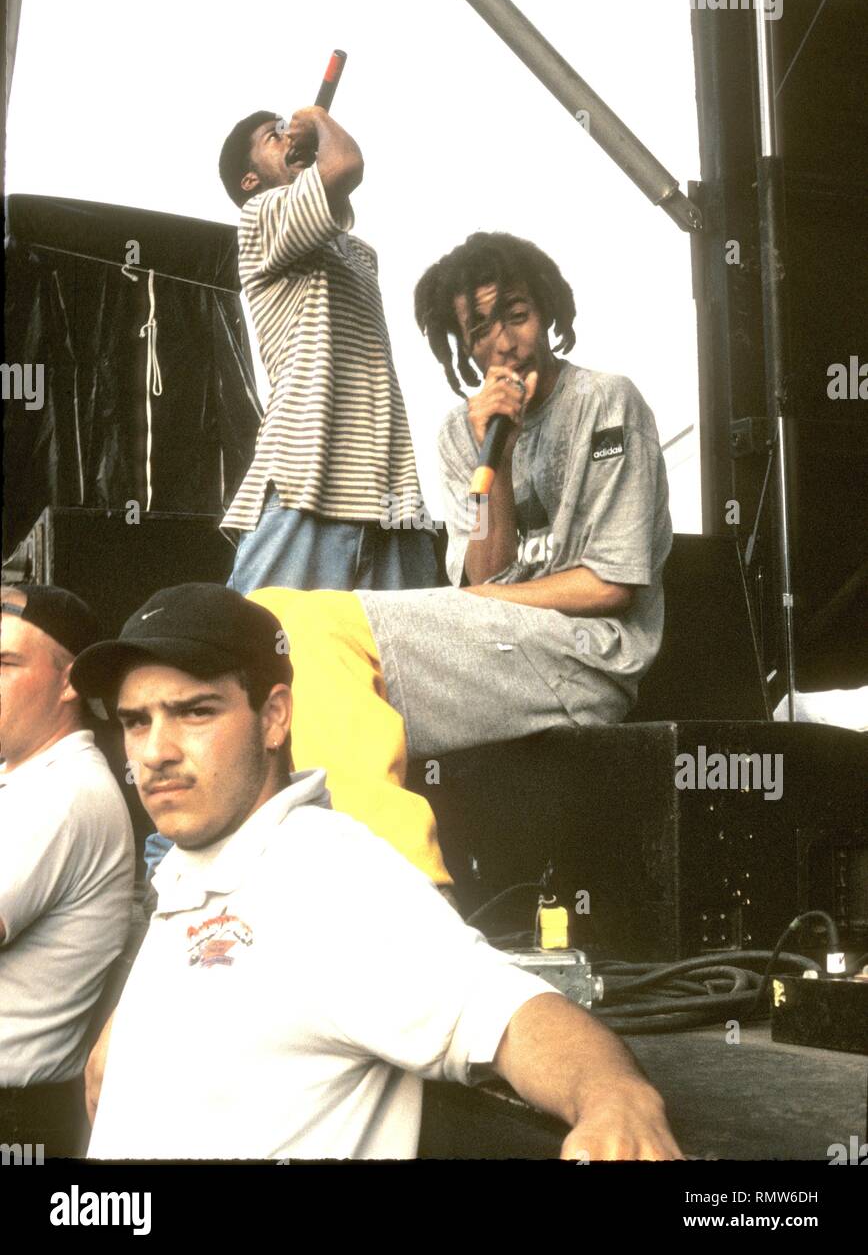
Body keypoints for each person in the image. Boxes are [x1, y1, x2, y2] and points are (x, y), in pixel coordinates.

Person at [72, 584, 681, 1161]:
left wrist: (614, 1099)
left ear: (275, 717)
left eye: (195, 712)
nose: (155, 751)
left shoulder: (331, 878)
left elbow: (512, 1013)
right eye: (136, 722)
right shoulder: (195, 860)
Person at [250, 230, 673, 764]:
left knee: (328, 630)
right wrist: (491, 459)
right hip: (498, 639)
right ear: (464, 347)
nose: (505, 343)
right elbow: (484, 573)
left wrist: (473, 603)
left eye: (517, 315)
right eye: (480, 331)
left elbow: (610, 587)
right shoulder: (461, 433)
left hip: (589, 661)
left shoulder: (608, 401)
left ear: (547, 311)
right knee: (277, 612)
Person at [218, 103, 438, 593]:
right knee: (262, 653)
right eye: (273, 136)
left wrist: (308, 140)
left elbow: (334, 178)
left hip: (391, 499)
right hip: (306, 482)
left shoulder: (354, 251)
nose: (288, 136)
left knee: (402, 663)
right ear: (250, 181)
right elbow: (344, 166)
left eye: (287, 128)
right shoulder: (259, 218)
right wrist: (314, 116)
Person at [0, 585, 134, 1157]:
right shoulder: (29, 779)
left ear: (70, 681)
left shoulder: (64, 793)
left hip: (16, 1119)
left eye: (5, 663)